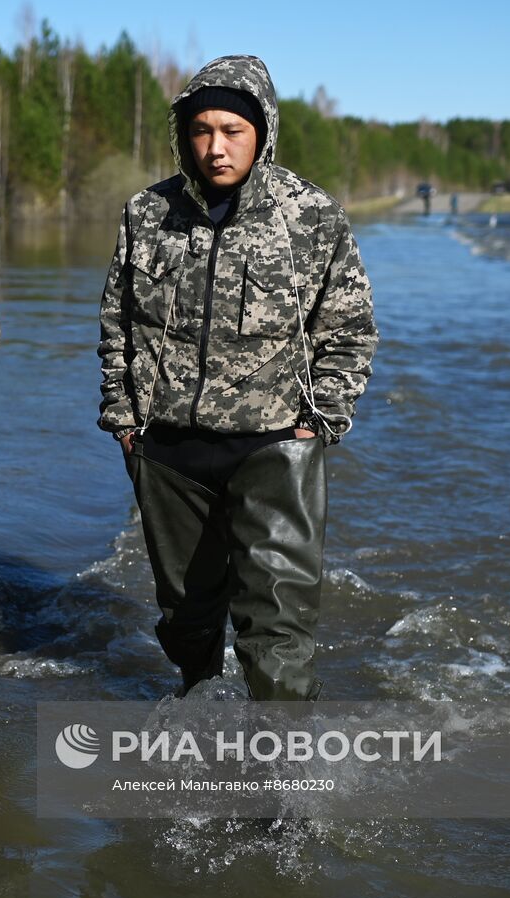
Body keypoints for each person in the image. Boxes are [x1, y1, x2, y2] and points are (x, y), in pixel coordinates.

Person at [97, 55, 378, 700]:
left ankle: (278, 791)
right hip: (168, 454)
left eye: (232, 130)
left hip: (275, 448)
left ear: (263, 132)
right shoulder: (147, 213)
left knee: (276, 633)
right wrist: (124, 418)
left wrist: (320, 420)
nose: (215, 148)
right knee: (187, 622)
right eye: (201, 130)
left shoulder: (311, 216)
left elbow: (350, 329)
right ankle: (201, 712)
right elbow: (118, 317)